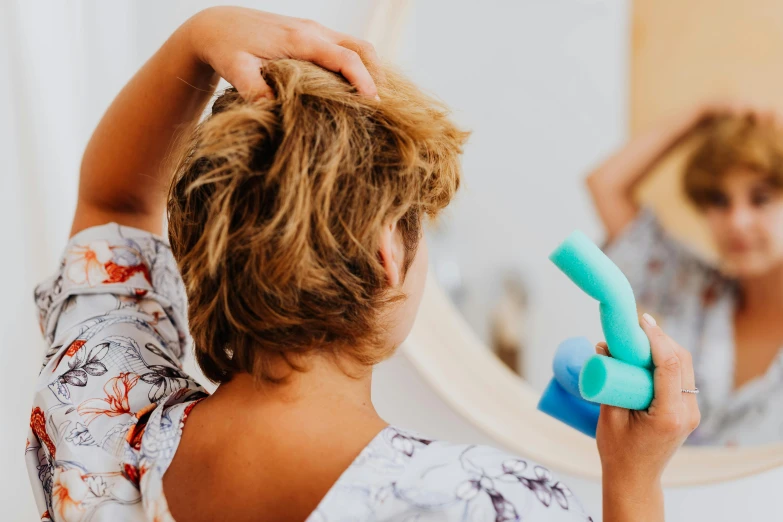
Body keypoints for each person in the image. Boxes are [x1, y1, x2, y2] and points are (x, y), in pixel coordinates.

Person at [27, 7, 698, 521]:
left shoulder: (99, 423)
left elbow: (113, 199)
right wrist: (634, 480)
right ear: (386, 253)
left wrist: (198, 36)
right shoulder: (480, 502)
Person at [588, 102, 783, 446]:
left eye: (761, 198)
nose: (737, 222)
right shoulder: (691, 288)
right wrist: (703, 113)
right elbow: (606, 186)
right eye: (720, 201)